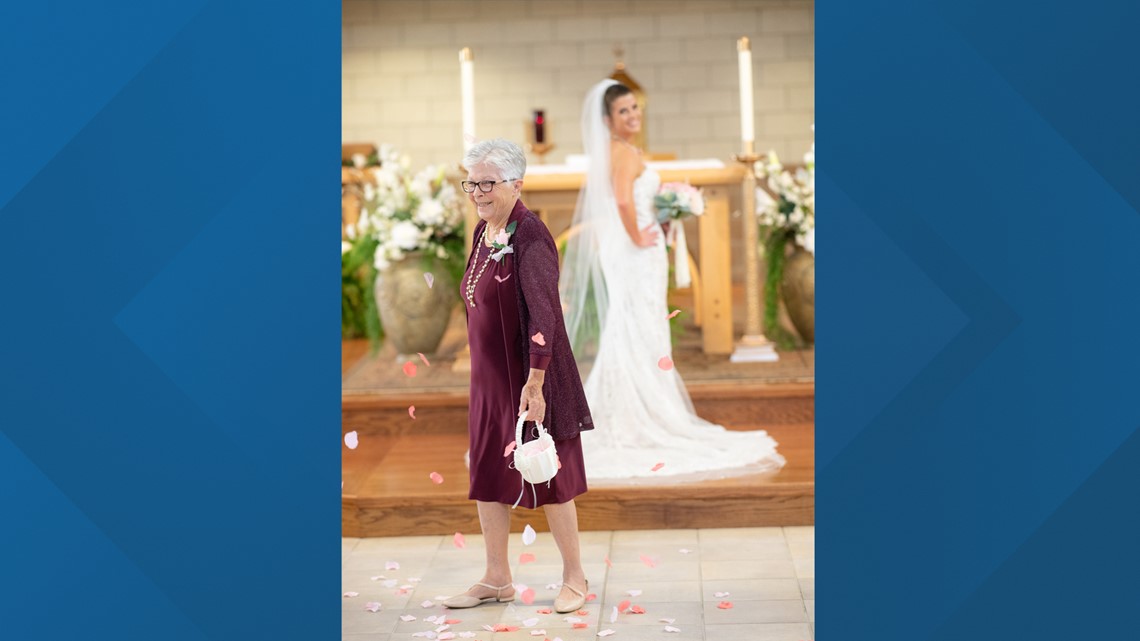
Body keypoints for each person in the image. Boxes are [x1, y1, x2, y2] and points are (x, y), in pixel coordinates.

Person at [559, 80, 787, 480]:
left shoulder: (615, 152)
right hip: (634, 251)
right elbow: (625, 200)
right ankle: (637, 415)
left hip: (630, 249)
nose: (633, 115)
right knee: (640, 324)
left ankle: (628, 410)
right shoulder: (625, 154)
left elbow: (629, 200)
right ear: (608, 120)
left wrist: (661, 218)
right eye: (624, 111)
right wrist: (638, 235)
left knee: (631, 325)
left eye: (635, 108)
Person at [442, 138, 592, 614]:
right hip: (489, 380)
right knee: (488, 473)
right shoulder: (484, 232)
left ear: (515, 183)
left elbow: (546, 314)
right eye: (472, 182)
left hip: (531, 378)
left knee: (550, 474)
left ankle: (575, 577)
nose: (477, 192)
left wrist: (536, 381)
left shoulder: (530, 234)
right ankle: (497, 578)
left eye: (487, 182)